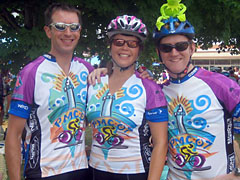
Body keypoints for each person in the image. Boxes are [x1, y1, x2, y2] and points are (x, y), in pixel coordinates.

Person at [5, 3, 95, 180]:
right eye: (60, 27)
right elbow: (13, 135)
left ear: (79, 31)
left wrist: (142, 76)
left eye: (73, 27)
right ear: (48, 31)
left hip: (81, 169)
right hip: (43, 172)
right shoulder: (31, 72)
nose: (68, 33)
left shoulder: (88, 70)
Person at [152, 2, 240, 180]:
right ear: (159, 53)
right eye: (166, 48)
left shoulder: (221, 84)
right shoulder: (158, 92)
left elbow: (232, 136)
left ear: (192, 48)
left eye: (181, 46)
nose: (174, 52)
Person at [86, 15, 168, 180]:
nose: (125, 48)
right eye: (119, 42)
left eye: (132, 44)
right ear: (110, 47)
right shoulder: (94, 82)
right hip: (95, 170)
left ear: (139, 50)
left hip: (134, 172)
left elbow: (161, 143)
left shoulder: (149, 87)